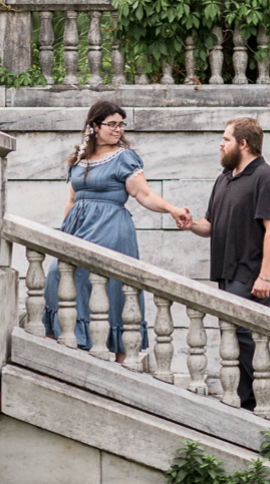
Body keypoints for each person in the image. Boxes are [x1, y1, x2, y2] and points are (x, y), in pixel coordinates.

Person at [44, 100, 191, 362]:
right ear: (94, 126)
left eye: (121, 124)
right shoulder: (79, 156)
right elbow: (72, 198)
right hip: (77, 226)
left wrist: (171, 208)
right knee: (59, 272)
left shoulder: (124, 157)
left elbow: (143, 194)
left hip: (111, 227)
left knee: (112, 287)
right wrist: (61, 235)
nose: (118, 129)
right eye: (112, 124)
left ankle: (122, 357)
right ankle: (70, 339)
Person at [180, 118, 270, 414]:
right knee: (232, 335)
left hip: (253, 273)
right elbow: (211, 226)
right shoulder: (225, 178)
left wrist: (265, 276)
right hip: (226, 271)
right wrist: (191, 225)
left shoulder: (266, 177)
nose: (221, 143)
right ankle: (249, 399)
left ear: (243, 143)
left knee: (243, 331)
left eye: (226, 138)